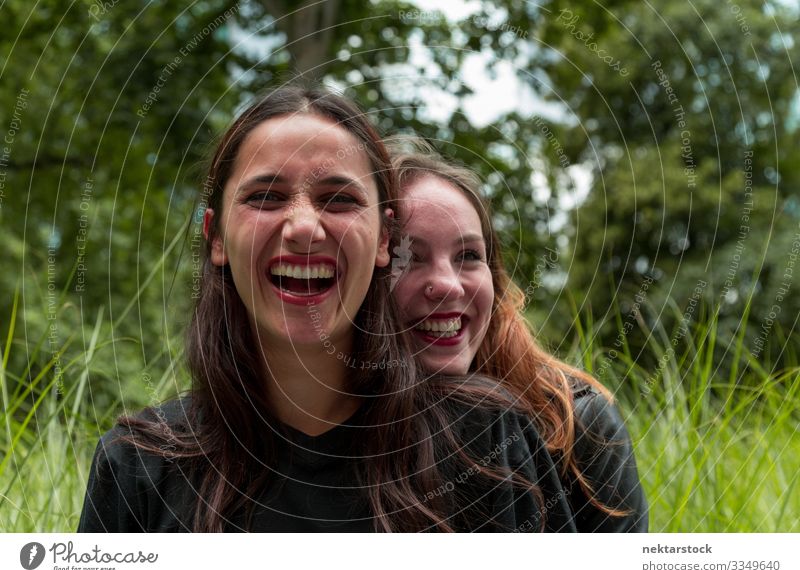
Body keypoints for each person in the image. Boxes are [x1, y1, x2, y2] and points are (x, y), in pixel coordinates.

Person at [78, 85, 581, 533]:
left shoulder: (485, 439)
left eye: (338, 199)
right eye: (266, 197)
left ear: (385, 239)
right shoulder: (137, 467)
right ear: (216, 238)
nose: (302, 227)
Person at [389, 136, 649, 532]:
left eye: (469, 256)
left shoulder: (577, 424)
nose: (449, 286)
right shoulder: (319, 429)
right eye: (407, 257)